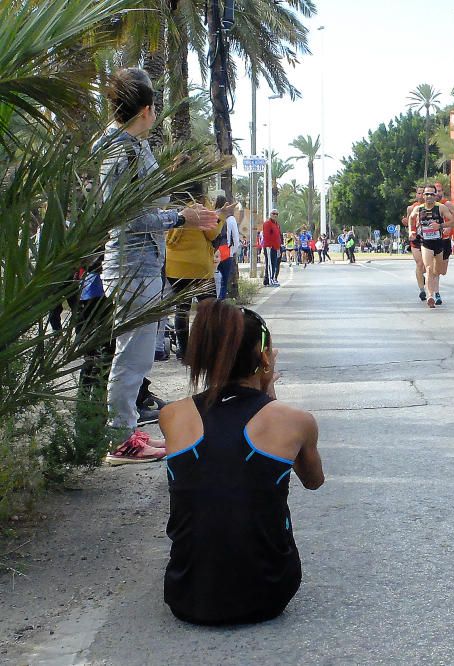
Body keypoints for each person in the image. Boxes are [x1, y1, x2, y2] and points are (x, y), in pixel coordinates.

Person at [160, 299, 324, 625]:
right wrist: (270, 390)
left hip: (186, 595)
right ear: (264, 357)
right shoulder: (297, 421)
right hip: (269, 593)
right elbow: (313, 480)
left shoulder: (171, 415)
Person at [96, 68, 218, 465]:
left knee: (139, 355)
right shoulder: (121, 151)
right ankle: (120, 438)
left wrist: (180, 209)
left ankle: (127, 430)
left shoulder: (133, 147)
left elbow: (146, 204)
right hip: (131, 267)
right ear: (147, 109)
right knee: (131, 357)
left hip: (144, 266)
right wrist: (182, 218)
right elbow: (128, 218)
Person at [165, 191, 225, 362]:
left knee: (181, 309)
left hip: (174, 265)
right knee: (210, 309)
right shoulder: (200, 202)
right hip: (198, 266)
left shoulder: (169, 201)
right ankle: (209, 350)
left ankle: (184, 352)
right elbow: (211, 233)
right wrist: (221, 217)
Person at [408, 185, 454, 308]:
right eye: (427, 194)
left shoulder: (441, 207)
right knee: (429, 268)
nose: (429, 196)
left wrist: (441, 226)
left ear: (435, 196)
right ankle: (430, 296)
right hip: (426, 243)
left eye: (431, 194)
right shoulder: (419, 209)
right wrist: (410, 231)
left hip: (439, 243)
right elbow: (411, 218)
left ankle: (435, 290)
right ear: (423, 196)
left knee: (438, 271)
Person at [215, 196, 240, 300]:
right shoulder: (230, 218)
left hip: (213, 252)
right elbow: (235, 237)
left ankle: (213, 300)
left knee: (213, 280)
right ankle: (220, 301)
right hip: (226, 253)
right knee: (224, 280)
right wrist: (231, 251)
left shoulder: (214, 216)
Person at [405, 213, 428, 301]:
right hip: (416, 239)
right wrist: (410, 230)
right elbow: (409, 221)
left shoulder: (438, 205)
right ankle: (422, 290)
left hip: (429, 238)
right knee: (419, 263)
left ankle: (423, 276)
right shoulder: (412, 208)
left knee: (428, 266)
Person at [262, 209, 282, 287]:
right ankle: (270, 280)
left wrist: (279, 247)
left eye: (277, 214)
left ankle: (269, 280)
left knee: (273, 264)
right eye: (274, 213)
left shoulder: (276, 224)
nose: (275, 215)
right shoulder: (267, 223)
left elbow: (278, 236)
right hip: (269, 247)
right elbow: (266, 235)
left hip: (275, 247)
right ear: (270, 214)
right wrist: (269, 246)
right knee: (270, 264)